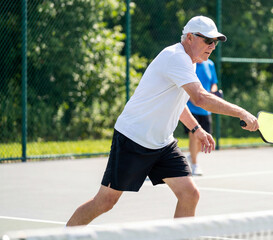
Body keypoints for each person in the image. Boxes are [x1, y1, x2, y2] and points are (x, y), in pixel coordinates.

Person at [66, 15, 258, 227]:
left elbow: (179, 102)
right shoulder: (175, 57)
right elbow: (200, 98)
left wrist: (196, 129)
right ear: (190, 38)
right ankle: (64, 236)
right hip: (133, 138)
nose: (212, 46)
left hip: (162, 144)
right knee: (105, 202)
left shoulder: (190, 62)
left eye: (215, 42)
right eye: (208, 41)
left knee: (190, 194)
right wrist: (242, 112)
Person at [184, 59, 219, 176]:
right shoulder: (189, 64)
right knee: (194, 135)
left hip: (206, 110)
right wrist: (192, 98)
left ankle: (192, 155)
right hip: (191, 108)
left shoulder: (210, 64)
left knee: (204, 139)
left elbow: (214, 83)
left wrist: (212, 93)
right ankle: (194, 165)